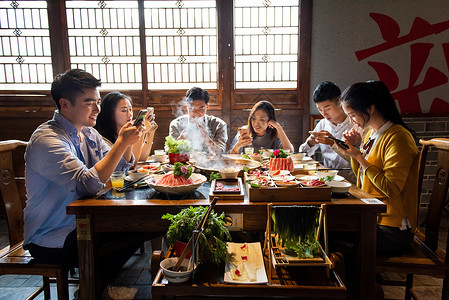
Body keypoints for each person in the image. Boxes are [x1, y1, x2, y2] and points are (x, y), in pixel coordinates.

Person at [23, 69, 149, 288]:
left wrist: (127, 142)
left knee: (143, 224)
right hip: (52, 237)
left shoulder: (89, 133)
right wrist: (120, 143)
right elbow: (87, 185)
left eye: (98, 102)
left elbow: (120, 166)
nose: (98, 109)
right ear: (65, 104)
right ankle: (93, 289)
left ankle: (95, 286)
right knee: (135, 227)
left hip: (84, 222)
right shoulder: (48, 140)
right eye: (89, 103)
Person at [338, 80, 419, 254]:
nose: (351, 121)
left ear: (371, 108)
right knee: (324, 227)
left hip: (393, 229)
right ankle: (350, 277)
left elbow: (390, 188)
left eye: (352, 115)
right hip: (372, 217)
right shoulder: (371, 134)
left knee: (329, 234)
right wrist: (357, 149)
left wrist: (359, 156)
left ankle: (357, 278)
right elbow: (362, 176)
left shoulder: (398, 137)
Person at [299, 81, 357, 182]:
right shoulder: (322, 124)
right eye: (320, 110)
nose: (324, 114)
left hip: (350, 181)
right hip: (327, 179)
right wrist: (310, 143)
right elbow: (301, 154)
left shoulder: (355, 124)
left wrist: (333, 143)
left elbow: (359, 160)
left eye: (327, 108)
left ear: (339, 102)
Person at [95, 91, 158, 163]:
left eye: (130, 110)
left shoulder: (125, 132)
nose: (130, 114)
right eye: (124, 110)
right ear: (110, 113)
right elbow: (131, 164)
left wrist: (150, 134)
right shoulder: (102, 139)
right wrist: (141, 130)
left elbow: (142, 158)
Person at [169, 87, 227, 155]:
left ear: (207, 107)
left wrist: (207, 139)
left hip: (210, 164)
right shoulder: (176, 124)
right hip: (185, 163)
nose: (196, 113)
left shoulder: (219, 124)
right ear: (187, 107)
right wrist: (180, 140)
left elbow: (221, 154)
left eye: (201, 108)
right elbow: (168, 153)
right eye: (192, 108)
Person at [229, 100, 294, 154]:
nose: (256, 123)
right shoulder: (245, 131)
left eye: (262, 119)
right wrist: (238, 145)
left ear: (270, 120)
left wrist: (278, 127)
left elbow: (290, 152)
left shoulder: (275, 134)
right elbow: (230, 157)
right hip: (247, 168)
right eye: (253, 118)